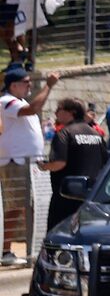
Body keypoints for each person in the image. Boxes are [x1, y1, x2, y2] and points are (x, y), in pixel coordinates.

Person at [0, 65, 54, 263]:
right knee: (14, 206)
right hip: (16, 162)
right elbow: (33, 108)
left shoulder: (17, 101)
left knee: (31, 206)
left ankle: (31, 248)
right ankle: (5, 250)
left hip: (29, 163)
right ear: (13, 85)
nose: (29, 85)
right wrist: (48, 86)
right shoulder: (7, 101)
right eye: (26, 82)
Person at [37, 97, 108, 229]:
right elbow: (106, 162)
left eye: (59, 109)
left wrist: (43, 166)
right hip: (90, 196)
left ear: (72, 113)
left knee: (57, 234)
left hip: (65, 197)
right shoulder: (95, 134)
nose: (56, 113)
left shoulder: (64, 134)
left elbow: (59, 163)